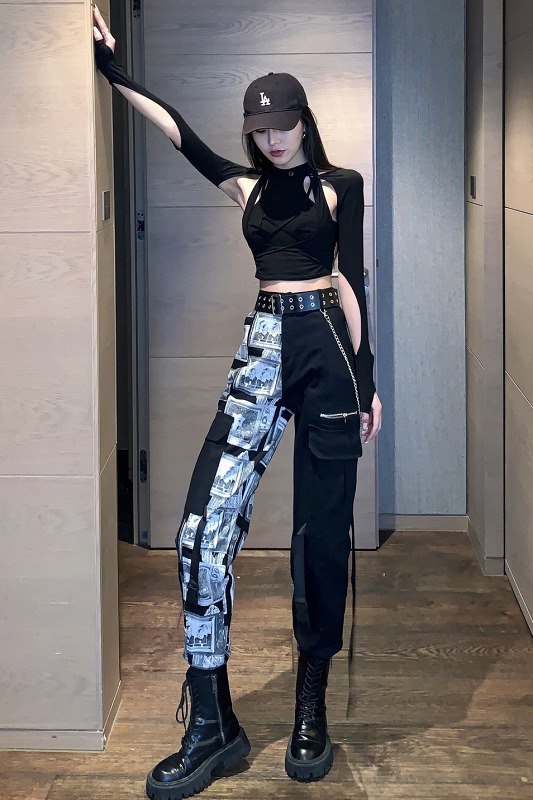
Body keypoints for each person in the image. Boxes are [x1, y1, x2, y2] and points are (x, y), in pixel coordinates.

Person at [93, 7, 382, 800]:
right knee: (200, 531)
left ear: (302, 120)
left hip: (327, 351)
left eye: (282, 125)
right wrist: (109, 68)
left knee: (320, 535)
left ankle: (309, 706)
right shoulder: (245, 186)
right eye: (260, 130)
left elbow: (352, 280)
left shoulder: (340, 187)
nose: (272, 140)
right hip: (262, 347)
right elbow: (177, 132)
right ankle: (213, 723)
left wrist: (367, 379)